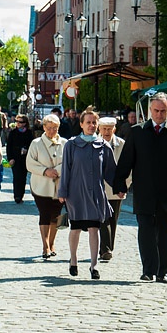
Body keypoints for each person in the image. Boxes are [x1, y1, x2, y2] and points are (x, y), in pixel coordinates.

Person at [114, 93, 167, 284]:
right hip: (144, 190)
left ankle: (164, 272)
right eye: (156, 111)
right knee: (146, 229)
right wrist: (120, 184)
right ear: (150, 110)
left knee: (165, 231)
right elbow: (126, 161)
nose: (159, 114)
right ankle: (148, 270)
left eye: (163, 111)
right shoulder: (137, 131)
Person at [57, 108, 116, 280]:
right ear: (81, 124)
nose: (91, 125)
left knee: (94, 228)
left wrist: (120, 187)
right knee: (75, 228)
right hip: (75, 193)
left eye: (94, 122)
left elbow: (111, 171)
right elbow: (65, 169)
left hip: (96, 193)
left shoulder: (104, 146)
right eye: (88, 122)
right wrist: (63, 191)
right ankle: (73, 260)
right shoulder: (72, 144)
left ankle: (94, 265)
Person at [25, 114, 67, 259]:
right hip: (41, 186)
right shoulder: (36, 143)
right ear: (44, 128)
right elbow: (30, 163)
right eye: (49, 128)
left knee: (55, 215)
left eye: (55, 128)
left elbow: (70, 162)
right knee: (44, 214)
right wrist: (46, 171)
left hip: (59, 186)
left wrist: (57, 171)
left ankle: (52, 243)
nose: (52, 131)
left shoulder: (65, 143)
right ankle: (45, 246)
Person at [97, 117, 129, 262]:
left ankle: (107, 248)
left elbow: (129, 168)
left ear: (114, 130)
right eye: (104, 129)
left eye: (109, 129)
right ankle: (106, 250)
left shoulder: (122, 145)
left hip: (117, 190)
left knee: (113, 220)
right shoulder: (93, 143)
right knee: (103, 219)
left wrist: (125, 186)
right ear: (99, 129)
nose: (106, 132)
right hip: (99, 189)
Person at [6, 114, 33, 203]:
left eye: (20, 122)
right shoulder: (13, 132)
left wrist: (27, 150)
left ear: (25, 123)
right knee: (16, 177)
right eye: (17, 121)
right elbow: (8, 147)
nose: (18, 124)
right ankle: (17, 196)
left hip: (25, 158)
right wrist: (10, 158)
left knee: (23, 177)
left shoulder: (29, 133)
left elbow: (32, 146)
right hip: (15, 158)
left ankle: (21, 195)